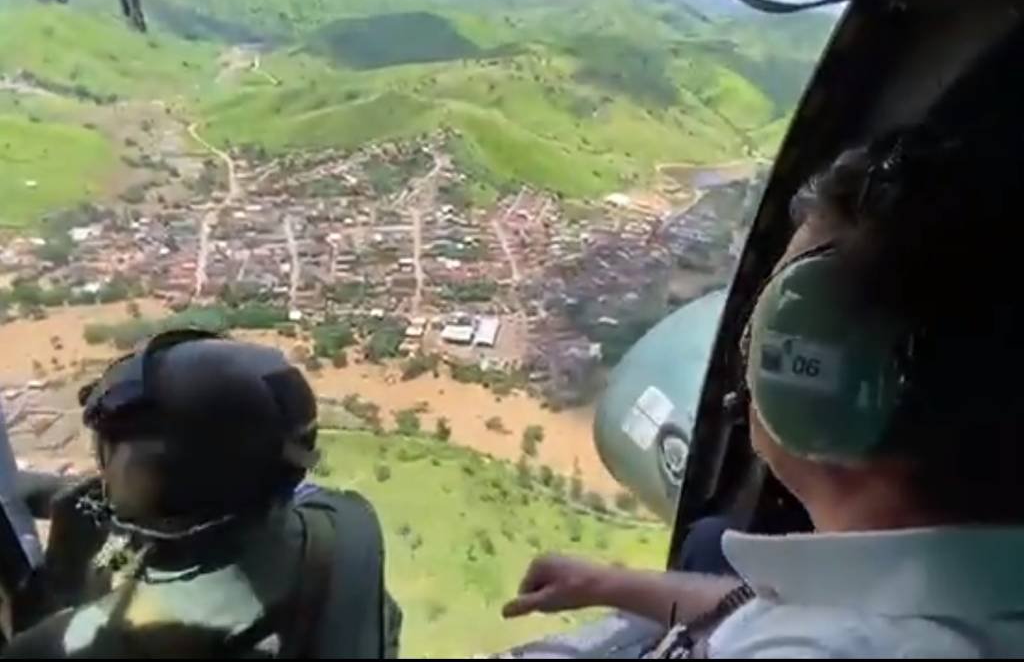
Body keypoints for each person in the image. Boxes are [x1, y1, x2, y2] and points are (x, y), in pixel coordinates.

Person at [503, 124, 1024, 657]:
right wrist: (602, 584)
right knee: (710, 539)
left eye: (765, 322)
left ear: (814, 378)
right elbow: (766, 606)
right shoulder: (952, 591)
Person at [2, 330, 401, 658]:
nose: (102, 466)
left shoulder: (80, 644)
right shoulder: (350, 525)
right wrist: (137, 521)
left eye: (109, 450)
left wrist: (62, 573)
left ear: (149, 475)